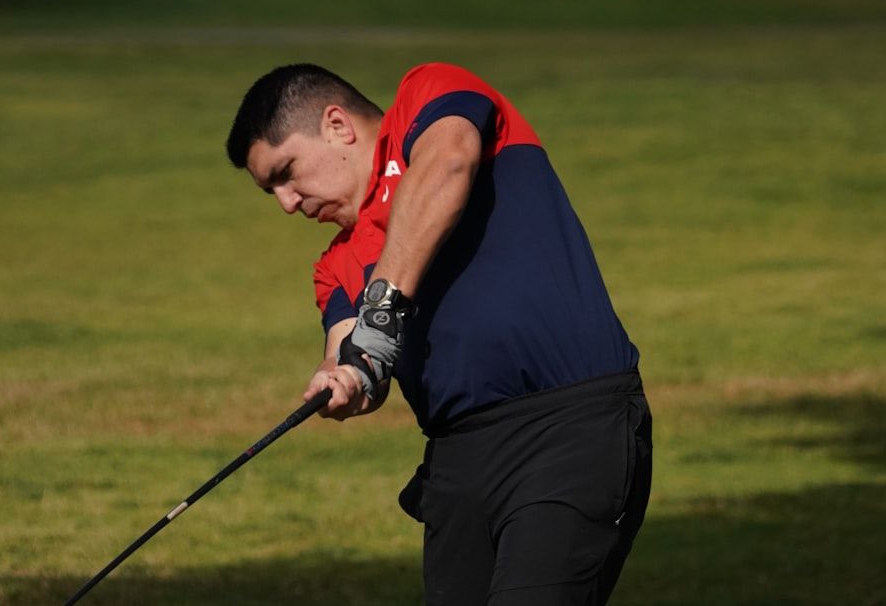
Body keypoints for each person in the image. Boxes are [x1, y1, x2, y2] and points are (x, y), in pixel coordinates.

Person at [226, 62, 652, 605]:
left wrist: (382, 307)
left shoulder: (430, 96)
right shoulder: (335, 266)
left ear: (337, 125)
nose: (288, 202)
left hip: (571, 430)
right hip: (460, 464)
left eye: (285, 172)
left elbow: (451, 162)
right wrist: (344, 380)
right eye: (271, 193)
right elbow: (351, 353)